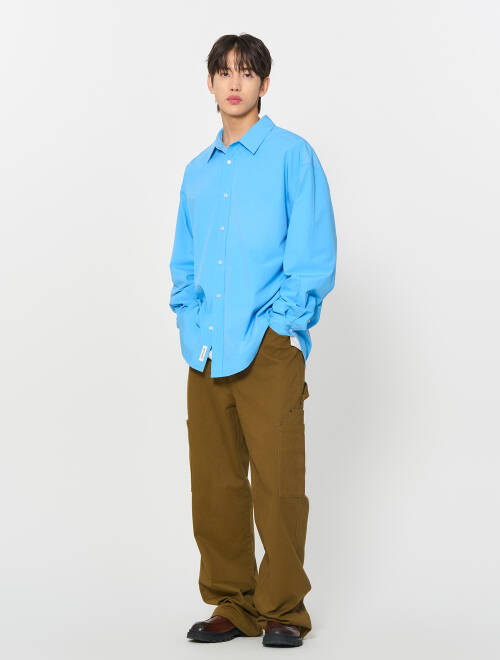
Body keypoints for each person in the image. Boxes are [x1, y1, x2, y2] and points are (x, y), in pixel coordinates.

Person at [169, 33, 337, 648]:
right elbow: (184, 265)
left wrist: (281, 325)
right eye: (224, 71)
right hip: (207, 348)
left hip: (268, 345)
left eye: (246, 71)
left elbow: (313, 254)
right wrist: (190, 324)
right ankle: (232, 603)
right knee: (215, 486)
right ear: (210, 83)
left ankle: (283, 608)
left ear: (265, 83)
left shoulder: (293, 156)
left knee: (278, 484)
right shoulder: (197, 172)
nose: (234, 82)